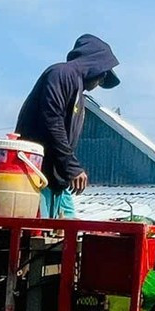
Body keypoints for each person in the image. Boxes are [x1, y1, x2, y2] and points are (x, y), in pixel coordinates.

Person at [14, 34, 121, 219]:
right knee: (41, 234)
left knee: (70, 233)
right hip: (37, 174)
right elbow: (52, 120)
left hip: (57, 179)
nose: (99, 83)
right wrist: (72, 167)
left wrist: (67, 169)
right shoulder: (62, 74)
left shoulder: (78, 90)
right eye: (102, 77)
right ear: (97, 68)